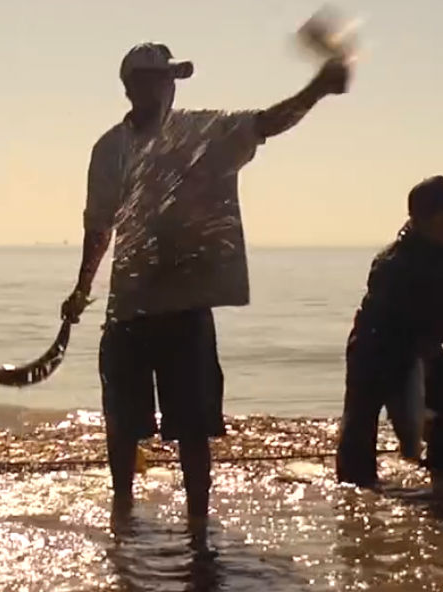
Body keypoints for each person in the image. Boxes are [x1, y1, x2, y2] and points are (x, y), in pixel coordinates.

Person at [60, 42, 350, 533]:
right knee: (122, 426)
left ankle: (198, 527)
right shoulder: (109, 148)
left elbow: (267, 123)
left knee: (193, 429)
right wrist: (82, 288)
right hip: (129, 307)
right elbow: (99, 227)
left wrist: (317, 90)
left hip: (187, 306)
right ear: (130, 87)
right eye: (154, 79)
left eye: (169, 79)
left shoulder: (203, 132)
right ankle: (123, 519)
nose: (164, 88)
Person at [335, 175, 443, 489]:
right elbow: (395, 321)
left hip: (426, 339)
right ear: (426, 219)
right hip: (376, 342)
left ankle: (442, 477)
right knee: (361, 422)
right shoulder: (392, 264)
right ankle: (355, 490)